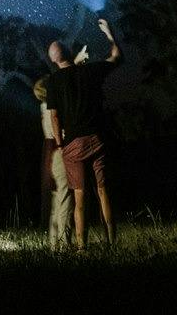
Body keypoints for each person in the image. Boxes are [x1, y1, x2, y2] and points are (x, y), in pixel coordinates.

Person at [45, 17, 123, 248]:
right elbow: (117, 57)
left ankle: (82, 247)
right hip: (97, 139)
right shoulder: (90, 71)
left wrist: (60, 143)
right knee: (103, 191)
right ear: (71, 53)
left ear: (53, 60)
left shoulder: (53, 82)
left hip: (72, 144)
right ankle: (111, 242)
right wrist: (110, 34)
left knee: (79, 198)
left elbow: (54, 116)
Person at [35, 47, 75, 251]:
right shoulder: (53, 109)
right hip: (59, 151)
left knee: (57, 200)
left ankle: (54, 244)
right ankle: (64, 243)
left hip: (50, 154)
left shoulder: (44, 107)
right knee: (65, 198)